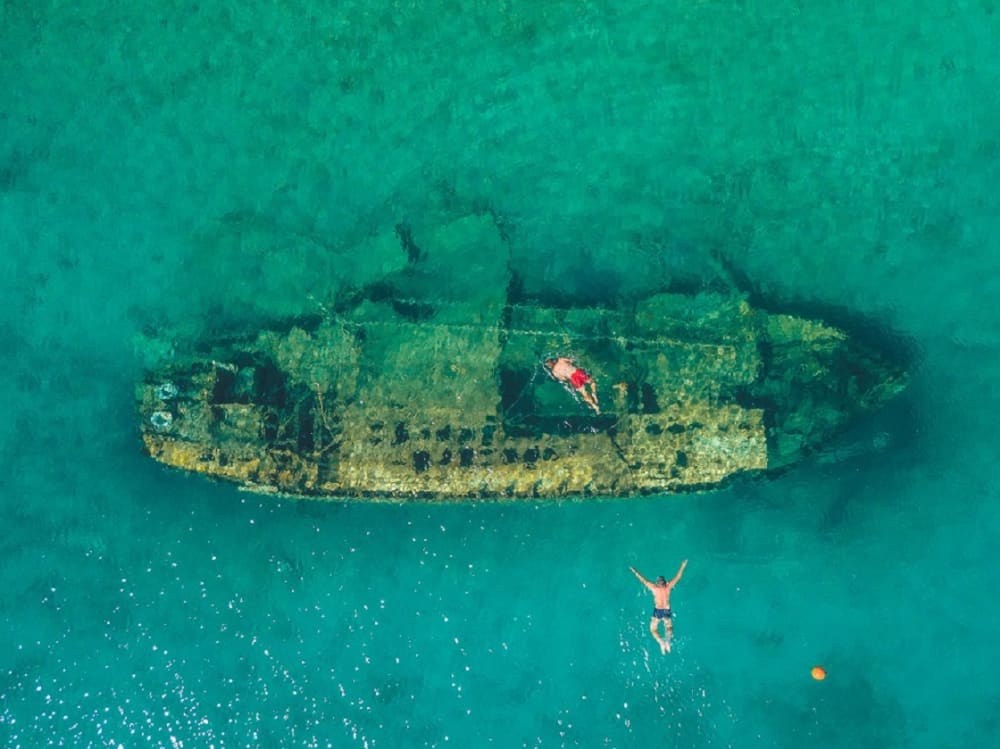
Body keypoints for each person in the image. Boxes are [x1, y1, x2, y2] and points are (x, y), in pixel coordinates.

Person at [629, 560, 687, 654]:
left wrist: (635, 571)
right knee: (669, 627)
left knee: (653, 629)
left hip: (658, 611)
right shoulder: (668, 587)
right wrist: (683, 565)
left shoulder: (654, 588)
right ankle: (667, 641)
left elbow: (643, 580)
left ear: (657, 583)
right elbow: (678, 577)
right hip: (667, 610)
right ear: (665, 582)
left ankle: (661, 642)